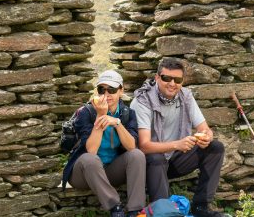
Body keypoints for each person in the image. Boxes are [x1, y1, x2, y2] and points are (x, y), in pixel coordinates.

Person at [131, 58, 225, 217]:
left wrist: (207, 137)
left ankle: (201, 208)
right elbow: (144, 146)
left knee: (215, 148)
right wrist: (177, 145)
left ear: (183, 81)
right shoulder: (142, 100)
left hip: (173, 160)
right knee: (156, 157)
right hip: (148, 166)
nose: (172, 84)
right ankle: (164, 211)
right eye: (166, 78)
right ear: (157, 78)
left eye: (178, 80)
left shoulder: (186, 96)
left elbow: (205, 128)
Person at [62, 70, 146, 217]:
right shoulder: (86, 112)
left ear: (121, 91)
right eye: (102, 89)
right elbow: (92, 150)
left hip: (110, 170)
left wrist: (117, 123)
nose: (106, 95)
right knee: (90, 159)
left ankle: (135, 211)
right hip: (83, 173)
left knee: (137, 155)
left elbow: (131, 147)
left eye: (111, 90)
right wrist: (101, 116)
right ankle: (116, 209)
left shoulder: (127, 113)